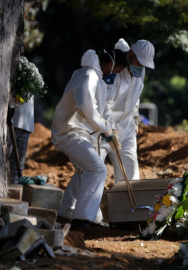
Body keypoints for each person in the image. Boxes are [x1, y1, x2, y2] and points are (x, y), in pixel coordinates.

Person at [52, 49, 126, 228]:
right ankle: (83, 220)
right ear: (111, 65)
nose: (114, 75)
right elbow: (88, 109)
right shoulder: (89, 76)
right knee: (98, 170)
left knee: (85, 171)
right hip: (70, 133)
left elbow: (98, 111)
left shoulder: (91, 76)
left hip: (75, 132)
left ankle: (65, 213)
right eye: (116, 71)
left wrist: (110, 128)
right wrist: (107, 130)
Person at [100, 38, 155, 182]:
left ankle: (125, 205)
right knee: (93, 170)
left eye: (143, 65)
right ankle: (73, 204)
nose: (140, 67)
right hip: (104, 127)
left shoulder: (140, 71)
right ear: (130, 54)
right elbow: (105, 104)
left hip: (127, 127)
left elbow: (135, 98)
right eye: (138, 63)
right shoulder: (115, 68)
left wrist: (135, 120)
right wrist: (110, 128)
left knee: (131, 175)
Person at [8, 97, 34, 184]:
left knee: (17, 165)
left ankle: (14, 191)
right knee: (2, 160)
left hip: (26, 121)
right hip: (11, 119)